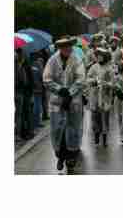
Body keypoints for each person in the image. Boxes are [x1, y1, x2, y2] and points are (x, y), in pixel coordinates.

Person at [43, 36, 86, 173]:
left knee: (73, 131)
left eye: (69, 46)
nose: (67, 48)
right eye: (63, 46)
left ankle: (71, 160)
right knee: (57, 131)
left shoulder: (77, 60)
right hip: (57, 103)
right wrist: (59, 90)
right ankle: (60, 157)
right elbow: (46, 78)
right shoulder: (52, 60)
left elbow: (81, 79)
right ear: (59, 48)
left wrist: (70, 93)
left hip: (73, 103)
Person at [86, 47, 114, 147]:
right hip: (95, 96)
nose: (99, 58)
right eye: (98, 56)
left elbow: (112, 82)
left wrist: (107, 84)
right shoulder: (94, 67)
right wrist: (93, 81)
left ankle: (105, 138)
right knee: (95, 117)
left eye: (101, 56)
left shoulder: (109, 68)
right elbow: (88, 78)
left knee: (104, 118)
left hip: (105, 97)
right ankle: (96, 136)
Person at [15, 48, 34, 141]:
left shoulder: (23, 63)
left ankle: (26, 132)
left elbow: (28, 79)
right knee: (23, 113)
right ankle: (24, 132)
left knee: (23, 113)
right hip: (22, 91)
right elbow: (28, 79)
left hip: (23, 91)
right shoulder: (23, 63)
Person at [31, 55, 45, 129]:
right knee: (38, 105)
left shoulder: (30, 64)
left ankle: (34, 122)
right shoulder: (38, 64)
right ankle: (37, 122)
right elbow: (42, 76)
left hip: (32, 88)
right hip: (38, 88)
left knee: (34, 105)